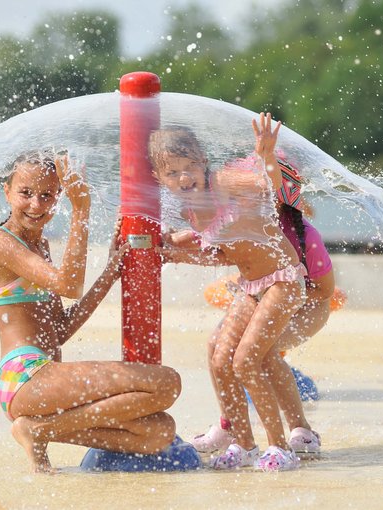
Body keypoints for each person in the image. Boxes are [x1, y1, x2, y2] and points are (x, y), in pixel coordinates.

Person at [0, 150, 181, 473]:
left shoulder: (41, 247)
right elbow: (69, 284)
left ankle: (38, 429)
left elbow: (60, 329)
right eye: (25, 193)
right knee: (167, 383)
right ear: (7, 192)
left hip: (44, 379)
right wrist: (82, 209)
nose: (35, 204)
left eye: (47, 195)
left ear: (57, 196)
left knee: (159, 431)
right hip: (25, 376)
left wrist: (110, 271)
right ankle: (36, 429)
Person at [149, 113, 315, 471]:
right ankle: (245, 443)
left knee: (245, 360)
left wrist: (266, 157)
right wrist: (169, 252)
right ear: (159, 179)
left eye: (190, 166)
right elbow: (219, 253)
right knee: (219, 355)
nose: (183, 177)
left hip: (283, 280)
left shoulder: (224, 182)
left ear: (204, 163)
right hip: (252, 286)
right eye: (172, 172)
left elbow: (274, 188)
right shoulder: (192, 212)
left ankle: (278, 446)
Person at [191, 163, 335, 461]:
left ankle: (301, 430)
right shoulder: (244, 222)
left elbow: (324, 291)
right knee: (216, 344)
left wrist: (278, 300)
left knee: (264, 352)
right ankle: (228, 424)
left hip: (308, 305)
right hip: (263, 295)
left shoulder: (306, 236)